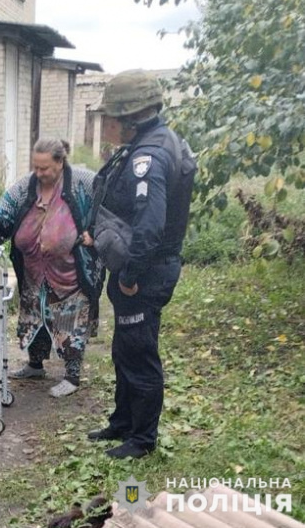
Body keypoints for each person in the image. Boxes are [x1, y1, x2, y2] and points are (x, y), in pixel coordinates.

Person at [86, 69, 196, 459]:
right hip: (144, 267)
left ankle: (142, 439)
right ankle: (123, 422)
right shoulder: (159, 141)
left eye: (110, 118)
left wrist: (130, 276)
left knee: (139, 352)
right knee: (125, 348)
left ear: (131, 117)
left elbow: (150, 225)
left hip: (145, 272)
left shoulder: (148, 156)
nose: (107, 124)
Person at [0, 139, 104, 398]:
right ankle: (35, 365)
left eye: (45, 168)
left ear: (60, 162)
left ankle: (72, 376)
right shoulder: (26, 186)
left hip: (71, 273)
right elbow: (2, 212)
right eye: (36, 167)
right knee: (35, 315)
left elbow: (108, 204)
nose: (39, 173)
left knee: (71, 320)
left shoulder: (83, 181)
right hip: (33, 270)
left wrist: (95, 233)